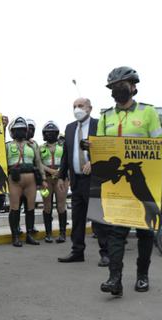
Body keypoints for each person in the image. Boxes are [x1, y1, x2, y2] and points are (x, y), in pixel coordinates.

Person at [96, 66, 162, 296]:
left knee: (145, 230)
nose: (118, 90)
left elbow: (159, 141)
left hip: (143, 179)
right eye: (114, 87)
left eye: (122, 85)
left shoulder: (148, 113)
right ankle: (114, 279)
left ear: (133, 86)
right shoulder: (105, 116)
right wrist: (90, 148)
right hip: (118, 184)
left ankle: (142, 276)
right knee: (116, 231)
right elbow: (101, 148)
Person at [58, 98, 109, 266]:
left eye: (80, 106)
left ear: (90, 108)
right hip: (76, 180)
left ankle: (105, 253)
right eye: (74, 106)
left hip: (94, 179)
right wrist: (61, 175)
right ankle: (77, 251)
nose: (77, 109)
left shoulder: (99, 125)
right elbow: (66, 154)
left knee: (97, 217)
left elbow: (108, 149)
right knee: (77, 217)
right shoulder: (70, 128)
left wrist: (94, 162)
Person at [5, 117, 47, 247]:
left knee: (30, 207)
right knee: (14, 207)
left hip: (31, 180)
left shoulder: (33, 145)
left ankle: (29, 234)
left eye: (23, 129)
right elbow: (4, 163)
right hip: (14, 180)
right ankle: (15, 236)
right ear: (12, 131)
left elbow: (38, 163)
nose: (20, 132)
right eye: (17, 130)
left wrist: (43, 179)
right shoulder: (7, 145)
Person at [39, 121, 68, 243]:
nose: (50, 135)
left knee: (61, 205)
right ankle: (48, 234)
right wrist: (50, 171)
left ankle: (62, 234)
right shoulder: (40, 148)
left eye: (52, 133)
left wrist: (60, 171)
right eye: (47, 133)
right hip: (46, 180)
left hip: (61, 179)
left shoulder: (63, 146)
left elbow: (67, 160)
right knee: (47, 206)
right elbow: (38, 162)